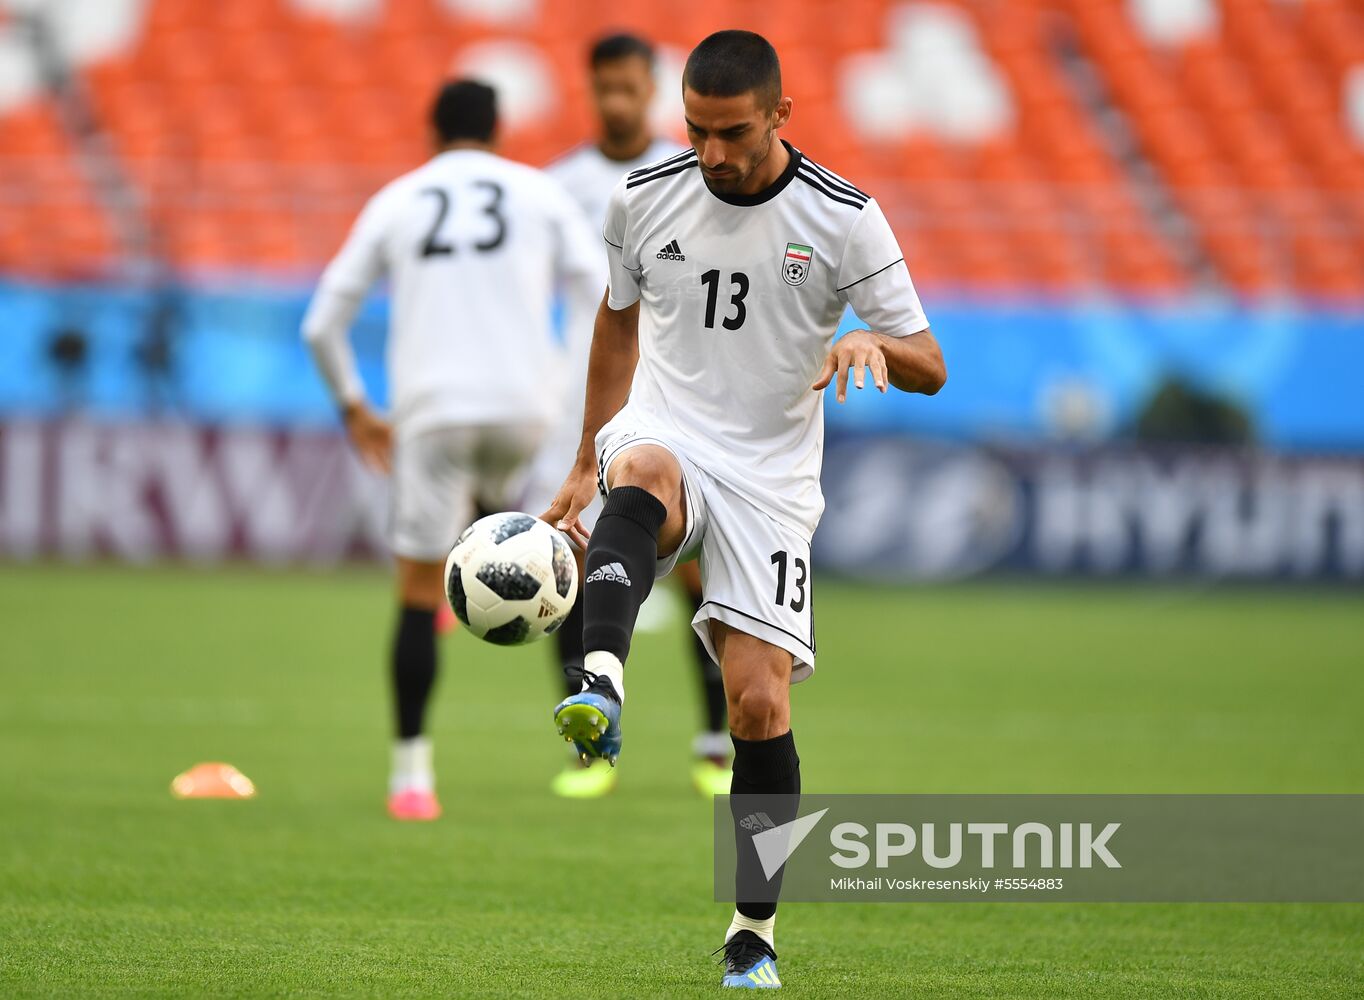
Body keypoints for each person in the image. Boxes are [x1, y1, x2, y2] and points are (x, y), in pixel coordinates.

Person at [542, 31, 945, 988]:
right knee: (639, 471)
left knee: (757, 703)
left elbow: (931, 360)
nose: (711, 153)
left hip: (771, 478)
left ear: (779, 116)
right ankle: (601, 677)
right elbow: (615, 320)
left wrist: (871, 347)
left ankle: (753, 929)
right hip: (670, 426)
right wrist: (577, 461)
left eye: (731, 134)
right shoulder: (644, 198)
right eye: (695, 130)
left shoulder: (845, 219)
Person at [302, 80, 603, 822]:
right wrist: (569, 391)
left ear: (431, 132)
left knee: (414, 592)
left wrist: (355, 409)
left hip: (432, 413)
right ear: (499, 130)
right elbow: (601, 288)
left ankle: (412, 778)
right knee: (555, 561)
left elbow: (321, 323)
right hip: (527, 410)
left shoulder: (401, 198)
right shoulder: (537, 192)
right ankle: (587, 748)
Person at [533, 32, 731, 800]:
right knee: (575, 558)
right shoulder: (560, 187)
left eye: (629, 87)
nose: (616, 101)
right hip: (590, 397)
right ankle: (592, 749)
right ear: (589, 89)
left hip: (680, 395)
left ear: (652, 89)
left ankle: (715, 742)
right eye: (603, 88)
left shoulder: (688, 180)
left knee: (700, 571)